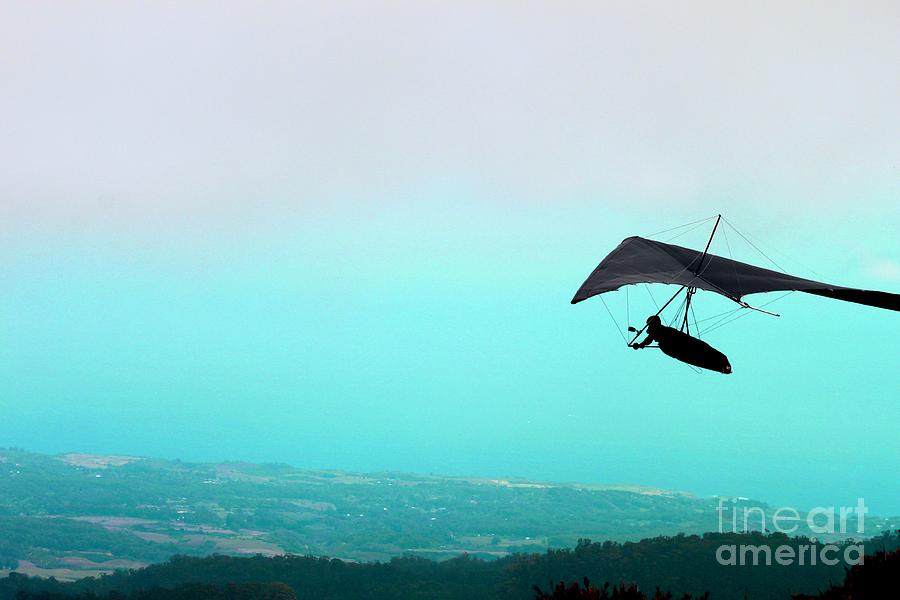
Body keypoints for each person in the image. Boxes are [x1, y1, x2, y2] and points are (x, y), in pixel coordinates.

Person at [631, 315, 732, 374]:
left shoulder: (662, 330)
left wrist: (640, 345)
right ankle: (722, 367)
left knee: (703, 350)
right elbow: (649, 339)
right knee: (696, 357)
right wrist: (640, 345)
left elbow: (648, 339)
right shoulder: (655, 332)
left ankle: (723, 365)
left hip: (684, 342)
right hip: (676, 348)